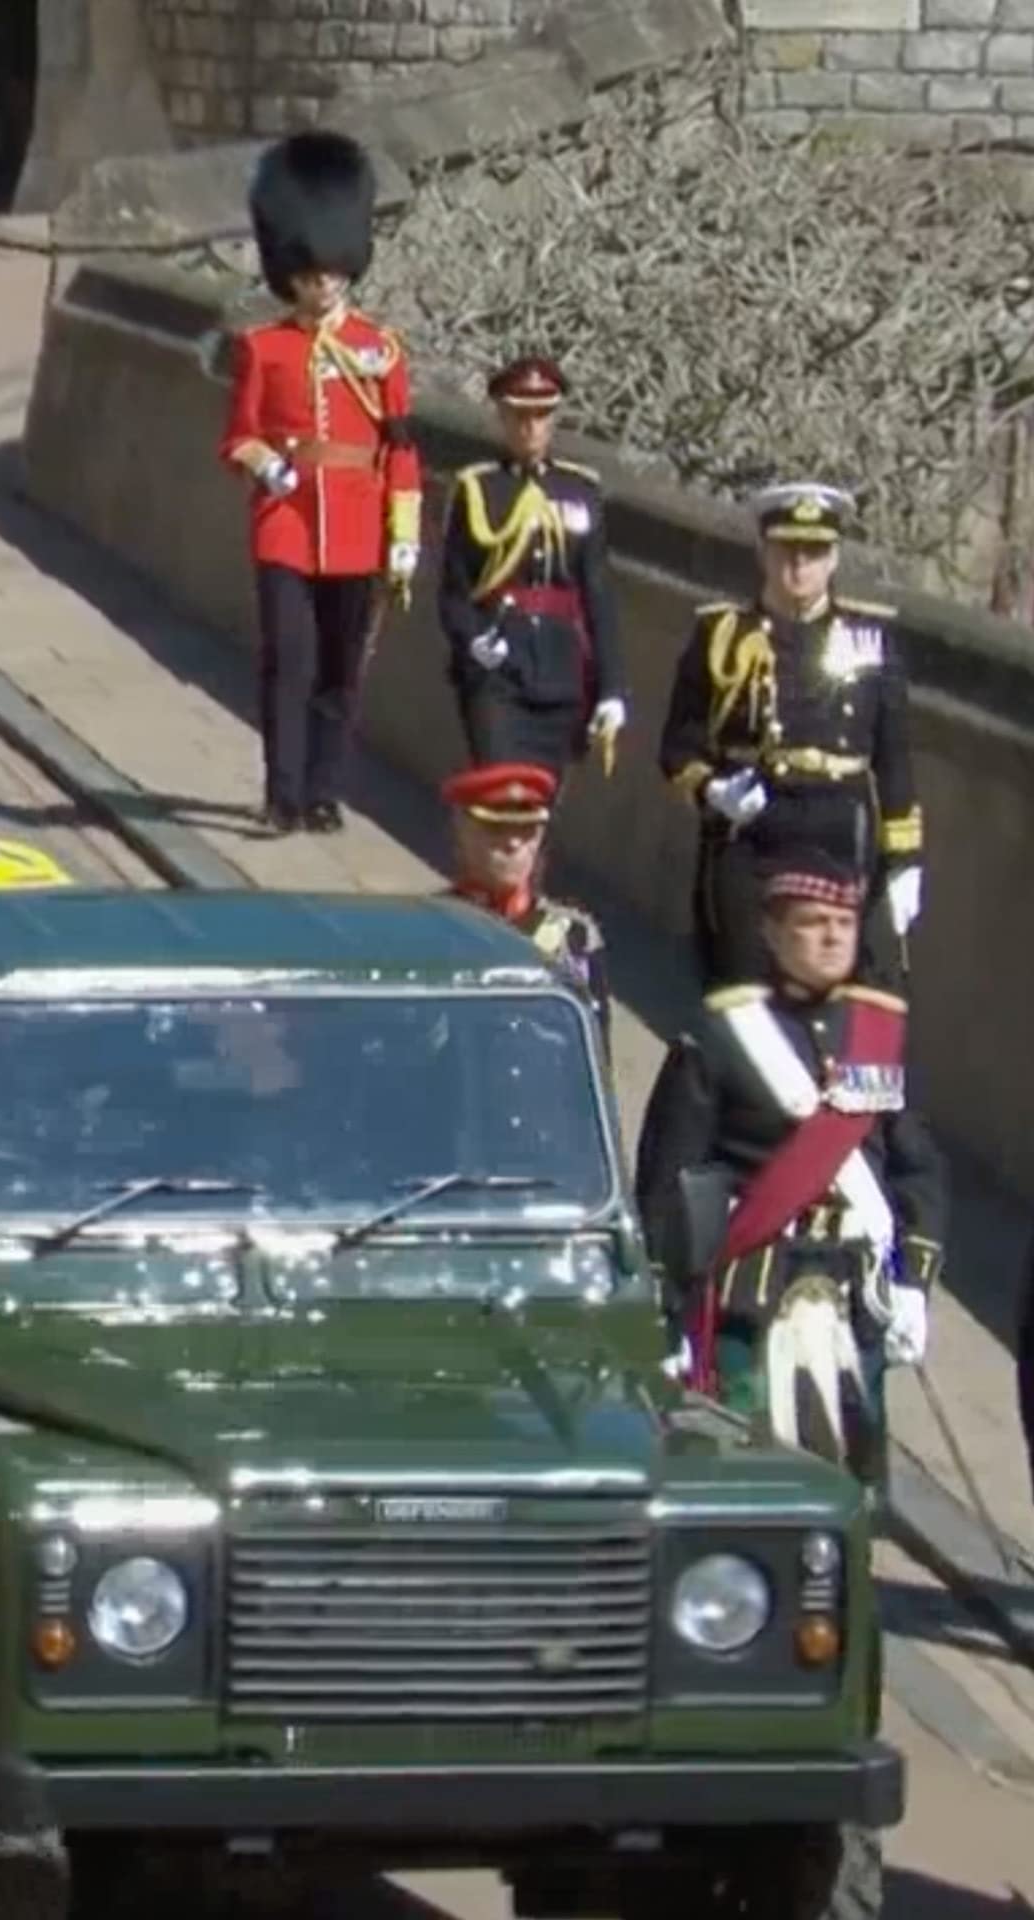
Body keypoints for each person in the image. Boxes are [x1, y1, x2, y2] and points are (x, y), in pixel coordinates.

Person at [633, 851, 946, 1483]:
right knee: (748, 1478)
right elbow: (668, 1182)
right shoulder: (721, 1038)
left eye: (844, 921)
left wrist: (914, 1279)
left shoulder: (875, 1033)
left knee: (855, 1489)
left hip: (854, 1294)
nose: (832, 936)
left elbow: (916, 1169)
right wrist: (666, 1319)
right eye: (811, 922)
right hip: (753, 1296)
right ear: (772, 932)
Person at [219, 130, 422, 835]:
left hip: (359, 526)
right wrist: (267, 465)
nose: (323, 281)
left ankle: (325, 790)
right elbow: (237, 435)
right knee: (289, 663)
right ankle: (282, 794)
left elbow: (399, 449)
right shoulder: (262, 348)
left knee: (341, 672)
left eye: (332, 269)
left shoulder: (381, 350)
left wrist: (403, 536)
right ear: (290, 270)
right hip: (286, 524)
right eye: (310, 272)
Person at [660, 481, 920, 988]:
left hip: (838, 830)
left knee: (835, 991)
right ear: (763, 550)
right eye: (787, 550)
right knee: (741, 987)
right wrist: (714, 790)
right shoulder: (722, 635)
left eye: (815, 552)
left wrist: (905, 860)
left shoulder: (871, 640)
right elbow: (678, 746)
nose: (799, 566)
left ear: (835, 558)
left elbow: (893, 759)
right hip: (754, 831)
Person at [436, 355, 625, 775]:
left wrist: (611, 688)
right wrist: (474, 641)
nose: (531, 427)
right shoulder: (479, 489)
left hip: (562, 669)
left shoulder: (580, 490)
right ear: (502, 417)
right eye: (519, 415)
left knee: (541, 808)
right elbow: (454, 593)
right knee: (502, 793)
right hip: (498, 669)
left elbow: (597, 594)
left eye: (541, 415)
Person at [438, 762, 609, 1041]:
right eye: (496, 829)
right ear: (461, 831)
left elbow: (594, 1048)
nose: (514, 844)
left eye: (527, 830)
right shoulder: (432, 925)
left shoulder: (573, 936)